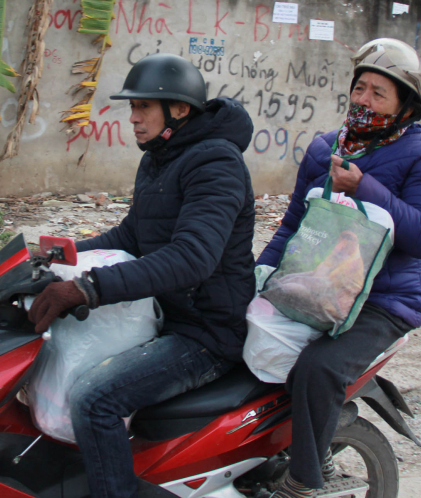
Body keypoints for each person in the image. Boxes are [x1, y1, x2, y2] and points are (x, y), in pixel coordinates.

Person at [28, 53, 257, 498]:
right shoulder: (161, 157)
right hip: (167, 315)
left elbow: (193, 259)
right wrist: (53, 255)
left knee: (94, 399)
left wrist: (87, 288)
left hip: (206, 333)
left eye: (142, 108)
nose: (132, 118)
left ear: (180, 110)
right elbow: (132, 234)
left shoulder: (216, 164)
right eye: (131, 108)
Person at [257, 38, 421, 498]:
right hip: (316, 285)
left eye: (378, 93)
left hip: (385, 301)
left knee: (318, 369)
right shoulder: (325, 147)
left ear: (406, 106)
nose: (363, 100)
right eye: (360, 88)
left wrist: (365, 187)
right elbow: (293, 225)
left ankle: (305, 481)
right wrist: (260, 278)